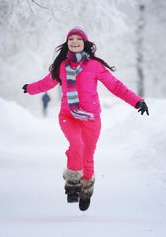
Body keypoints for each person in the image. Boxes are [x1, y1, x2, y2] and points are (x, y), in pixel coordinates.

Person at [22, 27, 149, 211]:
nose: (74, 42)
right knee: (77, 144)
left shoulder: (95, 66)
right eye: (71, 39)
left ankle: (86, 190)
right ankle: (73, 184)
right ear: (67, 43)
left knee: (88, 157)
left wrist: (137, 101)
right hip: (68, 115)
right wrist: (31, 88)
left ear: (84, 43)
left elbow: (116, 86)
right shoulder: (62, 67)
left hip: (91, 119)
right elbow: (46, 83)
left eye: (78, 39)